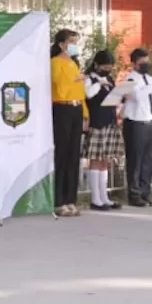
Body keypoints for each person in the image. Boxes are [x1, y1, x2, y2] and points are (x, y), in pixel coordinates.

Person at [50, 28, 88, 217]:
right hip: (62, 108)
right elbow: (59, 85)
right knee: (62, 154)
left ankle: (70, 199)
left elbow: (80, 92)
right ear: (62, 44)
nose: (74, 46)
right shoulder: (55, 62)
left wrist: (85, 114)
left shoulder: (74, 63)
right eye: (71, 42)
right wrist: (75, 79)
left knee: (74, 155)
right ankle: (58, 201)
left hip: (75, 109)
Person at [121, 48, 152, 207]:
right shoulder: (129, 79)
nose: (146, 65)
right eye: (142, 62)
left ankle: (145, 191)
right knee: (135, 160)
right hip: (135, 123)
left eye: (147, 61)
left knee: (149, 161)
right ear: (134, 64)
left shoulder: (151, 80)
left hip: (150, 122)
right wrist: (149, 88)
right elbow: (136, 97)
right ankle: (134, 194)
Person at [83, 50, 123, 211]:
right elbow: (89, 94)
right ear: (96, 64)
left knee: (105, 160)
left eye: (110, 66)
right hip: (96, 121)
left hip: (110, 120)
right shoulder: (89, 79)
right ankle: (95, 198)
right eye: (105, 66)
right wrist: (99, 83)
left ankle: (104, 196)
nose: (108, 69)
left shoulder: (110, 79)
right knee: (95, 159)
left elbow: (113, 98)